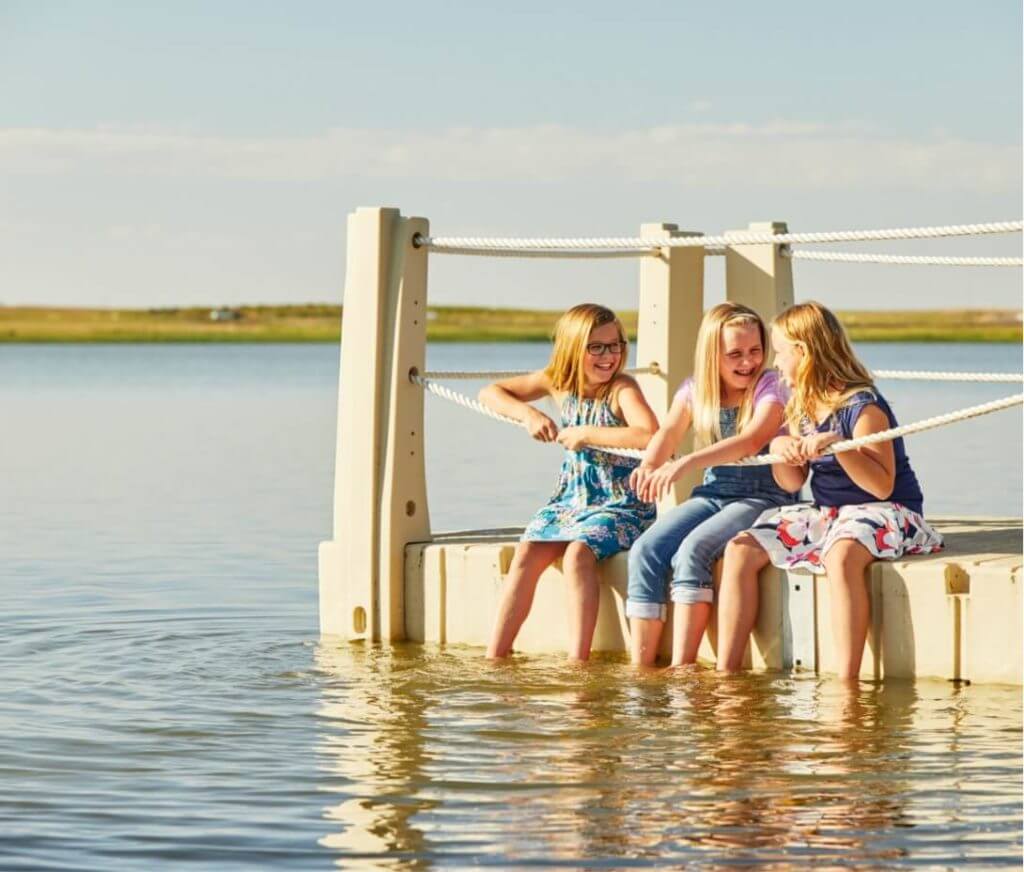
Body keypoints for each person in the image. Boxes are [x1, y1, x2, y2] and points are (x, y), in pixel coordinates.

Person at [716, 301, 943, 679]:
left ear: (802, 352)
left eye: (779, 352)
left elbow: (881, 485)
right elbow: (791, 483)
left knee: (841, 557)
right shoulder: (801, 406)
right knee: (740, 548)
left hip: (888, 510)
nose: (775, 362)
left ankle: (848, 681)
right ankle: (727, 673)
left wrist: (841, 448)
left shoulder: (862, 406)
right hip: (829, 511)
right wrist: (780, 451)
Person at [481, 303, 658, 661]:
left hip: (622, 504)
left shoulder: (622, 388)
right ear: (573, 349)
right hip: (571, 501)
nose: (609, 356)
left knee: (578, 554)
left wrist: (587, 433)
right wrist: (529, 414)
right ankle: (496, 656)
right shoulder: (557, 381)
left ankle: (579, 661)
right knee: (528, 551)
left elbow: (649, 433)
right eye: (597, 347)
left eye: (617, 344)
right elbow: (491, 392)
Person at [626, 302, 797, 666]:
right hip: (714, 492)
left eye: (755, 351)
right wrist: (650, 463)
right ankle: (642, 668)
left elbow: (751, 440)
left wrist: (687, 462)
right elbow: (670, 432)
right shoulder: (695, 389)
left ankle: (682, 667)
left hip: (763, 497)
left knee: (694, 549)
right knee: (646, 549)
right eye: (734, 354)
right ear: (712, 355)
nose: (747, 362)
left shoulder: (771, 386)